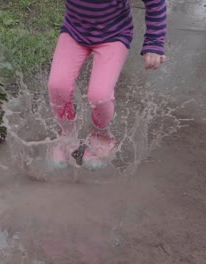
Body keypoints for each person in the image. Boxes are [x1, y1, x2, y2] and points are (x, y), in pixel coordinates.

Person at [47, 0, 167, 169]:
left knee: (99, 96)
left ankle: (101, 138)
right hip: (74, 31)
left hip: (114, 36)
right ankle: (66, 135)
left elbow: (155, 3)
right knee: (57, 86)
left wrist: (154, 43)